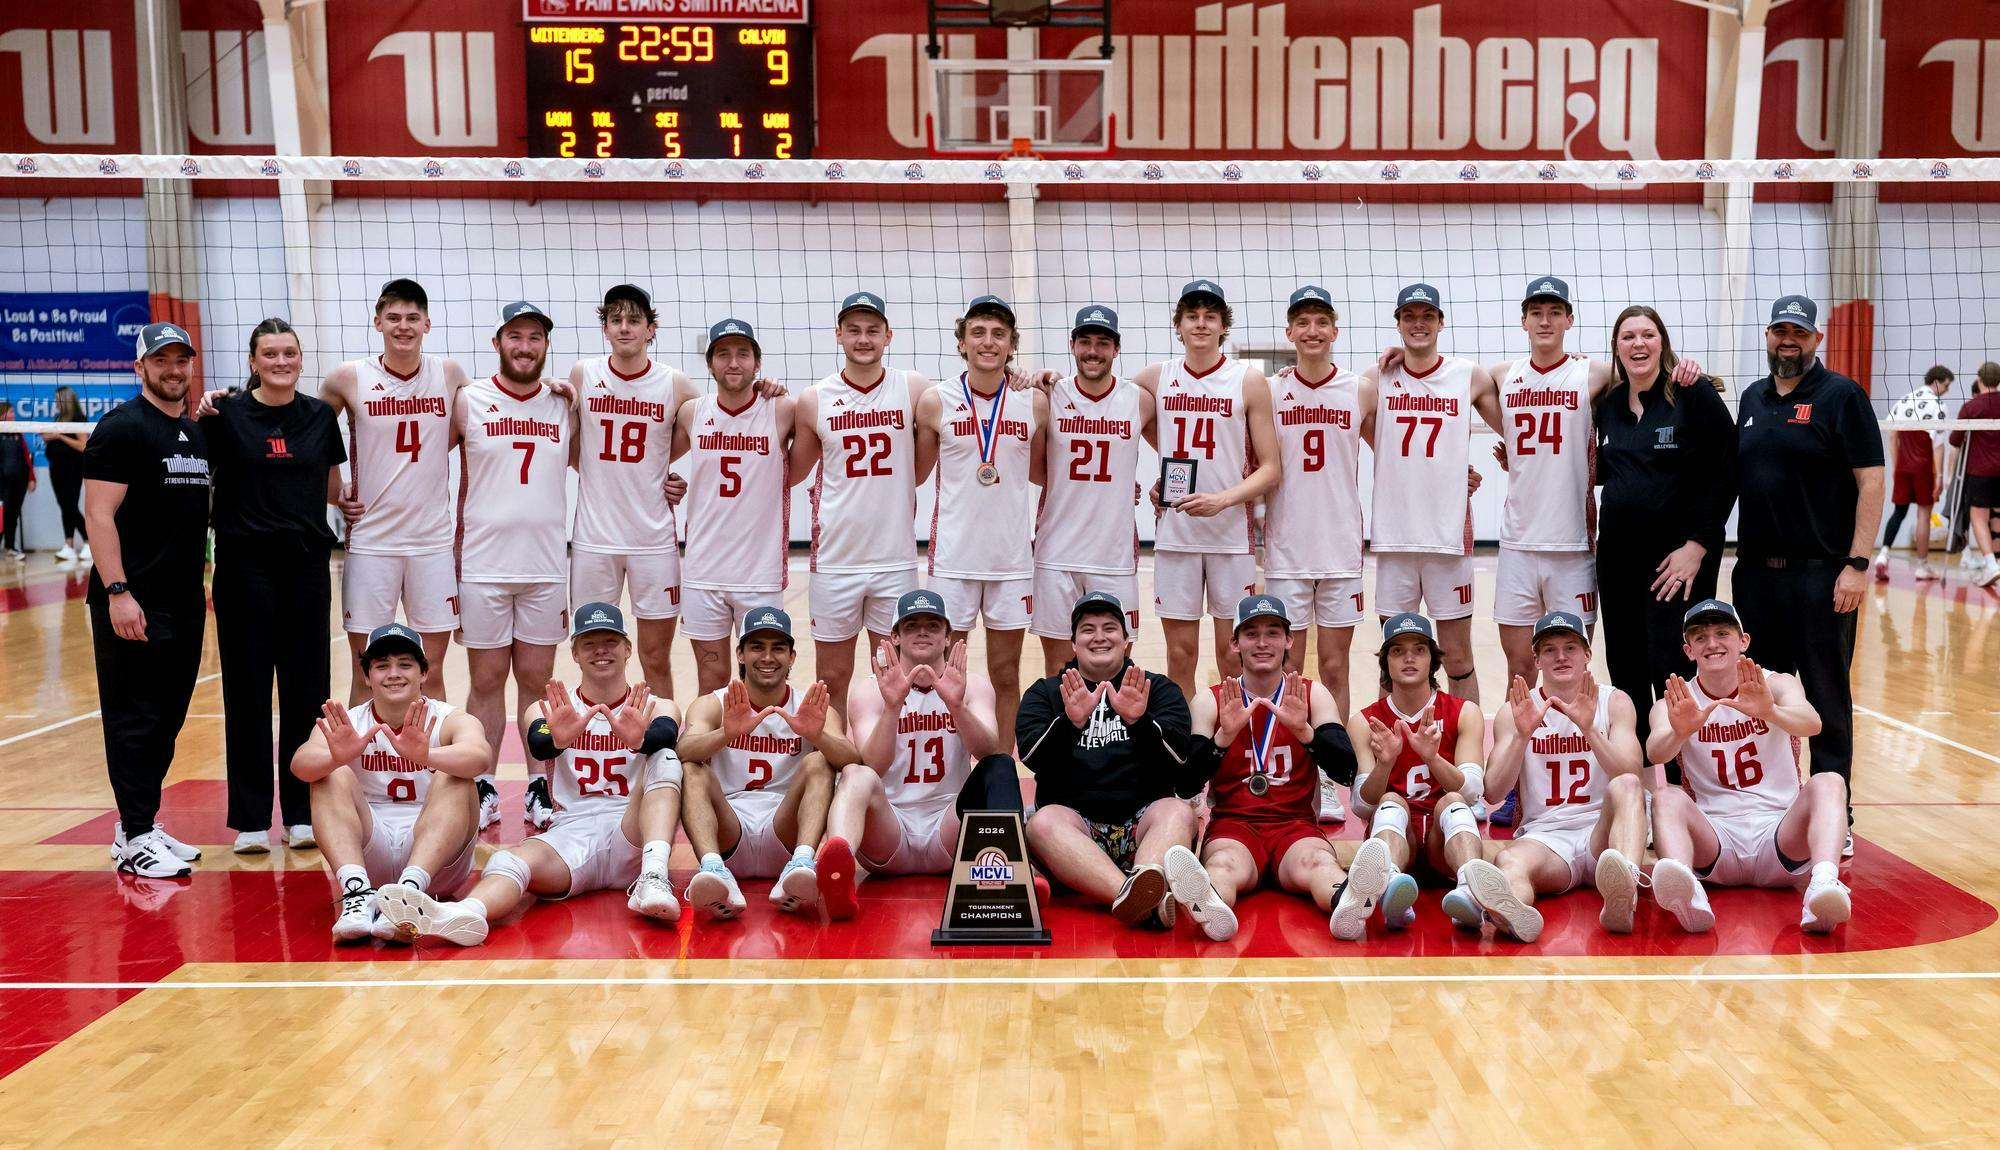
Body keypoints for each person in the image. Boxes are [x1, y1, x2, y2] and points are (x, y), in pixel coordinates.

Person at [377, 602, 685, 945]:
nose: (601, 651)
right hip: (572, 835)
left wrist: (640, 739)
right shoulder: (547, 709)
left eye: (610, 642)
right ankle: (464, 915)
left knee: (667, 757)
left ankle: (654, 876)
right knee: (508, 860)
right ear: (576, 653)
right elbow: (539, 744)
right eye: (589, 643)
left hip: (633, 830)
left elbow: (666, 735)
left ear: (627, 649)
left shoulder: (657, 705)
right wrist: (559, 737)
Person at [1733, 294, 1883, 848]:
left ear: (1816, 339)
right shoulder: (1752, 398)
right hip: (1755, 577)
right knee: (1761, 696)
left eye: (1798, 331)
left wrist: (1857, 565)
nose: (1787, 340)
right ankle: (1770, 806)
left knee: (1824, 697)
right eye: (1779, 331)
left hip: (1822, 577)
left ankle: (1833, 816)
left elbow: (1871, 481)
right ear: (1768, 337)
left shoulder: (1843, 396)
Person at [203, 317, 347, 854]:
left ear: (301, 359)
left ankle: (304, 814)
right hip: (243, 568)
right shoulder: (226, 415)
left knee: (307, 693)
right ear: (253, 360)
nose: (281, 361)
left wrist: (343, 505)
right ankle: (250, 820)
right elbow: (205, 480)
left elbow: (332, 486)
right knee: (246, 693)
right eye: (270, 353)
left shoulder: (319, 416)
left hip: (306, 565)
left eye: (290, 352)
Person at [1182, 596, 1388, 942]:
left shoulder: (1313, 694)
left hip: (1295, 825)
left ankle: (1347, 902)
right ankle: (1212, 905)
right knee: (1223, 867)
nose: (1263, 643)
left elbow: (1346, 770)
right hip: (1234, 826)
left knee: (1319, 864)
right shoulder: (1210, 700)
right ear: (1234, 643)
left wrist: (1305, 732)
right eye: (1251, 634)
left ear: (1289, 640)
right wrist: (1223, 737)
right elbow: (1186, 781)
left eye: (1273, 633)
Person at [86, 322, 213, 879]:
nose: (173, 369)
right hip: (133, 600)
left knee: (168, 718)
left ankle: (139, 823)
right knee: (134, 719)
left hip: (184, 601)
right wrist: (118, 592)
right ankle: (135, 833)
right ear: (140, 368)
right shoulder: (120, 430)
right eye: (161, 360)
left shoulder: (192, 433)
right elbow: (98, 515)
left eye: (181, 359)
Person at [1644, 600, 1852, 933]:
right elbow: (1655, 752)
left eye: (1722, 633)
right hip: (1716, 841)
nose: (1712, 643)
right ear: (1688, 650)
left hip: (1780, 837)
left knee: (1829, 781)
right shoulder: (1676, 702)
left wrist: (1770, 712)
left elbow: (1812, 723)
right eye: (1700, 637)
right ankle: (1689, 895)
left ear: (1743, 642)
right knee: (1666, 796)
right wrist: (1681, 730)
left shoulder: (1778, 684)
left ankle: (1824, 884)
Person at [820, 590, 1030, 919]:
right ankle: (838, 868)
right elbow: (872, 765)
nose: (922, 632)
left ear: (948, 636)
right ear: (895, 636)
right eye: (912, 625)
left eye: (933, 625)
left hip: (949, 831)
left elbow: (988, 752)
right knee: (855, 774)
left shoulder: (973, 686)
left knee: (1001, 765)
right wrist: (892, 707)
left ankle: (1017, 872)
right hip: (890, 832)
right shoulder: (870, 690)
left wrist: (956, 705)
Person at [1592, 305, 1737, 763]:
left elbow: (1728, 470)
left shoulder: (1690, 394)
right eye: (1628, 336)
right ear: (1616, 347)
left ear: (1663, 343)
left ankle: (1683, 786)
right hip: (1617, 562)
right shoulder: (1609, 406)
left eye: (1648, 335)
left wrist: (1697, 545)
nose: (1638, 344)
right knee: (1627, 672)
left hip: (1676, 562)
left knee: (1670, 669)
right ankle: (1638, 787)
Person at [318, 278, 469, 707]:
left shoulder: (450, 373)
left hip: (432, 542)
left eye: (412, 318)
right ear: (378, 322)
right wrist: (335, 490)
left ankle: (430, 769)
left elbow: (488, 421)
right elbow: (306, 430)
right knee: (366, 668)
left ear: (427, 323)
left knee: (432, 668)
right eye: (394, 317)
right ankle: (360, 769)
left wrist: (553, 392)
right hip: (372, 541)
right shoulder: (348, 377)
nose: (403, 326)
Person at [288, 622, 488, 942]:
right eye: (382, 666)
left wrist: (428, 757)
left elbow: (480, 757)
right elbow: (301, 765)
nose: (394, 673)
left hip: (437, 862)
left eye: (405, 664)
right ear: (367, 677)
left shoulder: (449, 718)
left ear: (424, 673)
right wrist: (336, 757)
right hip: (372, 851)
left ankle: (409, 896)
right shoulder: (350, 724)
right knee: (330, 773)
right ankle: (356, 892)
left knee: (457, 775)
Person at [453, 302, 571, 831]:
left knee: (536, 680)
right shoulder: (469, 400)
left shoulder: (566, 403)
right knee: (486, 679)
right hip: (482, 563)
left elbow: (622, 457)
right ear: (497, 342)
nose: (525, 347)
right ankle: (482, 788)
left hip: (545, 566)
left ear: (546, 345)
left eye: (535, 338)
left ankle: (539, 787)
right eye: (515, 337)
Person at [1137, 280, 1282, 704]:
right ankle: (1185, 751)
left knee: (1231, 657)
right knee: (1180, 655)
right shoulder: (1155, 377)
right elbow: (1105, 401)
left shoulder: (1248, 380)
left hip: (1230, 538)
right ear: (1178, 325)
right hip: (1177, 536)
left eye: (1210, 316)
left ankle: (1231, 749)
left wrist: (1222, 499)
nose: (1200, 323)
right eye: (1192, 316)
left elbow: (1271, 468)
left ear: (1223, 326)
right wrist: (1165, 462)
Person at [789, 292, 933, 719]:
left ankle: (887, 767)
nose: (863, 338)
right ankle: (832, 769)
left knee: (897, 675)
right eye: (854, 330)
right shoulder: (815, 398)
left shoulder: (913, 387)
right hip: (836, 559)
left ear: (888, 336)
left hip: (894, 558)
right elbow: (791, 472)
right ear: (839, 335)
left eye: (873, 330)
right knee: (832, 676)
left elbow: (920, 470)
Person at [1018, 592, 1197, 929]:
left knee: (1177, 811)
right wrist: (1070, 725)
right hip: (1076, 832)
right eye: (1087, 630)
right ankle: (1142, 899)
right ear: (1073, 643)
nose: (1099, 637)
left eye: (1110, 628)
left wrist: (1139, 723)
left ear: (1126, 640)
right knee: (1042, 823)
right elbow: (1032, 758)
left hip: (1142, 829)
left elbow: (1178, 760)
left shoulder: (1157, 689)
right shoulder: (1046, 692)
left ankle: (1137, 891)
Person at [1361, 284, 1503, 705]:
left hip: (1447, 537)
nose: (1418, 323)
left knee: (1457, 655)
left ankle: (1469, 748)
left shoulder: (1468, 374)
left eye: (1427, 316)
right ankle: (1393, 745)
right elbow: (1343, 411)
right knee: (1394, 654)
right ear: (1399, 323)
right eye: (1409, 316)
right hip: (1395, 536)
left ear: (1441, 322)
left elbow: (1514, 421)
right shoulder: (1377, 376)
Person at [668, 606, 857, 920]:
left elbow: (853, 761)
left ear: (792, 657)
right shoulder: (714, 704)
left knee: (820, 762)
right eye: (757, 647)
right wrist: (726, 733)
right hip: (730, 829)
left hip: (784, 829)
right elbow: (684, 749)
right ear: (740, 654)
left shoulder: (807, 706)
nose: (767, 657)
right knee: (690, 769)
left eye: (777, 648)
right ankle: (714, 868)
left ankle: (802, 863)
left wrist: (817, 736)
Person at [917, 296, 1048, 746]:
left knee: (1005, 674)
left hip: (1011, 561)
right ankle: (949, 773)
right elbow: (913, 474)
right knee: (944, 674)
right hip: (953, 559)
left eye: (998, 334)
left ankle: (1001, 771)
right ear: (962, 342)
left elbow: (1051, 472)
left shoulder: (1034, 403)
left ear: (1011, 345)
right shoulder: (935, 401)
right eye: (978, 333)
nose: (988, 342)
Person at [1262, 285, 1366, 824]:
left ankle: (1330, 776)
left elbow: (1397, 446)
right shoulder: (1270, 390)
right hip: (1285, 549)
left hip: (1342, 548)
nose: (1312, 331)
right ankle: (1288, 772)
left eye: (1321, 322)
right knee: (1290, 666)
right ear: (1289, 333)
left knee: (1334, 664)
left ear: (1335, 329)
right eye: (1301, 322)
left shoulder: (1360, 388)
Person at [1480, 613, 1648, 940]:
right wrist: (1521, 736)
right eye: (1550, 650)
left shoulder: (1614, 701)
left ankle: (1625, 891)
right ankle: (1514, 914)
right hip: (1548, 837)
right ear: (1537, 660)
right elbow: (1493, 791)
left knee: (1627, 785)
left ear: (1587, 654)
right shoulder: (1516, 709)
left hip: (1603, 832)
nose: (1560, 657)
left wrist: (1589, 730)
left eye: (1570, 647)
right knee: (1509, 860)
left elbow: (1631, 773)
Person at [568, 284, 694, 701]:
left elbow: (713, 423)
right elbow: (570, 446)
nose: (624, 328)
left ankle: (661, 742)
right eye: (615, 319)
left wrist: (666, 470)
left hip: (652, 539)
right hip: (594, 539)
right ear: (605, 327)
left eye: (634, 320)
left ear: (650, 329)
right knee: (594, 652)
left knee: (655, 656)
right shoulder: (583, 375)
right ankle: (598, 736)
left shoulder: (673, 383)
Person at [1345, 612, 1490, 932]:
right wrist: (1385, 765)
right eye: (1397, 651)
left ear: (1433, 659)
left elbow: (1473, 792)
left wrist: (1434, 758)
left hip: (1446, 840)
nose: (1409, 658)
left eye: (1419, 650)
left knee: (1451, 798)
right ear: (1385, 662)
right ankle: (1391, 885)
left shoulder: (1464, 712)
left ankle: (1470, 887)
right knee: (1390, 801)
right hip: (1397, 837)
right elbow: (1361, 805)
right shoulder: (1364, 721)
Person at [676, 319, 797, 695]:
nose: (733, 363)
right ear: (710, 364)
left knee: (763, 680)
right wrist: (666, 483)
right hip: (703, 571)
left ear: (757, 364)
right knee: (711, 680)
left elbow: (797, 468)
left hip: (758, 573)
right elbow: (649, 461)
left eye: (743, 354)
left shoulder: (782, 409)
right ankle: (706, 755)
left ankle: (760, 751)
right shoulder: (691, 412)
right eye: (723, 354)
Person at [1031, 307, 1150, 677]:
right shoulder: (1050, 395)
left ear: (1116, 349)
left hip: (1113, 554)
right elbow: (1037, 469)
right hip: (1056, 552)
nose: (1093, 351)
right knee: (1057, 665)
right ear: (1072, 346)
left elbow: (1180, 442)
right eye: (1085, 342)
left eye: (1103, 342)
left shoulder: (1139, 399)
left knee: (1115, 662)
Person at [1875, 365, 1954, 582]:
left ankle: (1883, 555)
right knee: (1923, 515)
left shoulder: (1905, 399)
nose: (1947, 391)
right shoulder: (1938, 406)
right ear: (1937, 381)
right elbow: (1938, 446)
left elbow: (1892, 435)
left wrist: (1895, 466)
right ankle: (1922, 566)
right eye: (1946, 385)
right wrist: (1937, 477)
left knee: (1899, 512)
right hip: (1924, 466)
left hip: (1903, 465)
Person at [1949, 364, 2000, 587]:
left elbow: (1954, 441)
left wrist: (1948, 475)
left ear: (1979, 379)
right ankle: (1997, 562)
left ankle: (1990, 564)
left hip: (1980, 472)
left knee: (1979, 518)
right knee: (1997, 516)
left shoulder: (1971, 407)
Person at [43, 386, 90, 561]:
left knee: (70, 506)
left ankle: (90, 542)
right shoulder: (59, 418)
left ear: (66, 400)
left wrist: (59, 436)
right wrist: (49, 438)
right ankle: (69, 545)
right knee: (64, 506)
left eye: (57, 399)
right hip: (56, 469)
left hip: (73, 470)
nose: (55, 402)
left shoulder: (77, 419)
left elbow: (83, 446)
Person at [0, 398, 34, 558]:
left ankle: (10, 548)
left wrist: (31, 478)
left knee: (13, 515)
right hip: (2, 483)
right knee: (2, 516)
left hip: (19, 482)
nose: (14, 414)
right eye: (11, 411)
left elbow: (26, 457)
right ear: (2, 414)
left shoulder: (17, 431)